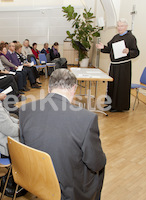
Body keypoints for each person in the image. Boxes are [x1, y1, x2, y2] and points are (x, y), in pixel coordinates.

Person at [19, 69, 106, 200]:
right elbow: (96, 163)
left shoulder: (25, 110)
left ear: (49, 88)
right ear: (74, 88)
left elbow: (23, 146)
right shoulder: (86, 119)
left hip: (35, 178)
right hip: (67, 189)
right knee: (101, 165)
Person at [96, 18, 140, 112]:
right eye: (118, 26)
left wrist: (129, 51)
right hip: (114, 66)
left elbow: (136, 52)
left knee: (120, 86)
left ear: (126, 26)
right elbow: (109, 49)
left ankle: (119, 107)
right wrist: (102, 47)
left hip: (123, 67)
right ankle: (110, 104)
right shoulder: (116, 37)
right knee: (112, 85)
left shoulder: (131, 37)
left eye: (121, 26)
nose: (119, 28)